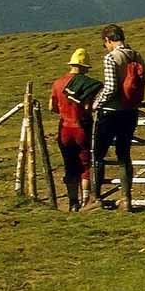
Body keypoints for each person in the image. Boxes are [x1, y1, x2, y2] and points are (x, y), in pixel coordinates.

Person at [89, 23, 145, 211]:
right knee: (124, 154)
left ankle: (95, 198)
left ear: (108, 40)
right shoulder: (137, 56)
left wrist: (97, 103)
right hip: (130, 112)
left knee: (98, 155)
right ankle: (126, 198)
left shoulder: (111, 58)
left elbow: (111, 87)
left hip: (111, 112)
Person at [48, 48, 101, 211]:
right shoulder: (89, 85)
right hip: (82, 127)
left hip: (64, 128)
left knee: (69, 165)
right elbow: (92, 107)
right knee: (85, 165)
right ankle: (86, 199)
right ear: (85, 67)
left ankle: (72, 202)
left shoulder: (58, 83)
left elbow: (52, 107)